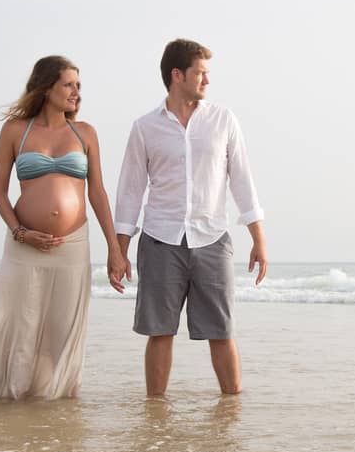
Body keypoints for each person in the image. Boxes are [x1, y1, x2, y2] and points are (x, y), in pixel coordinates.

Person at [0, 56, 126, 400]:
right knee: (19, 323)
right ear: (47, 87)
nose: (76, 92)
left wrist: (115, 249)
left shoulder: (85, 133)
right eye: (68, 84)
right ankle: (17, 403)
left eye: (78, 85)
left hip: (73, 244)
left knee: (61, 330)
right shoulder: (17, 130)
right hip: (24, 246)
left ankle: (55, 404)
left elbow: (98, 193)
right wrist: (20, 232)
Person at [111, 39, 267, 396]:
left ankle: (232, 409)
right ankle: (156, 412)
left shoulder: (223, 120)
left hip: (212, 238)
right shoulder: (144, 127)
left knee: (221, 330)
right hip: (160, 239)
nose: (207, 81)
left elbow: (242, 179)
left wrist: (259, 239)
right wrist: (119, 250)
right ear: (177, 75)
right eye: (201, 73)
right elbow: (130, 191)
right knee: (160, 331)